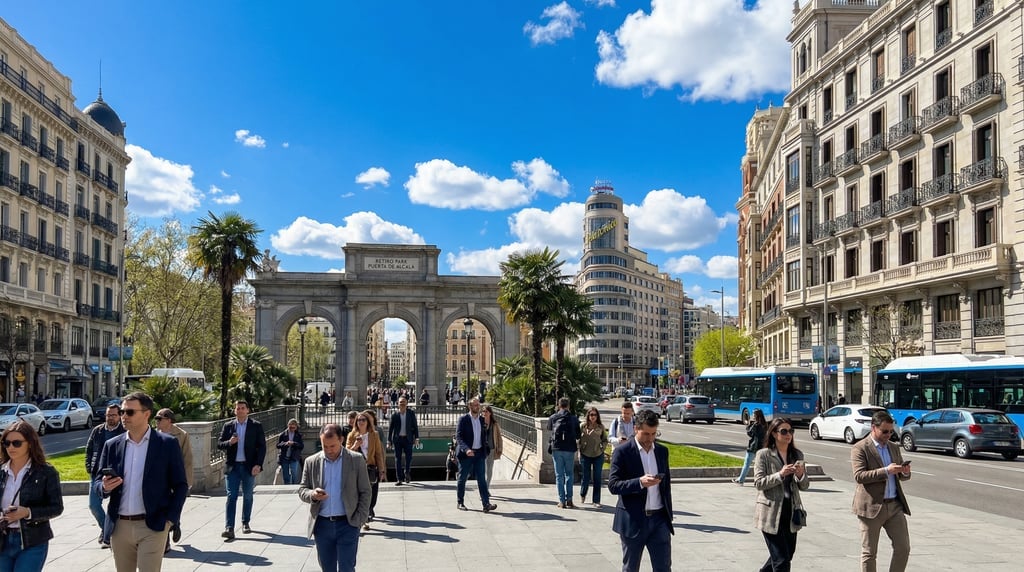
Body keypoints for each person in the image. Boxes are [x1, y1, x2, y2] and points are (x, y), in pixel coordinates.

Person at [96, 392, 188, 572]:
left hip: (152, 525)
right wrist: (104, 487)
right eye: (122, 412)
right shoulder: (112, 445)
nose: (124, 416)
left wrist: (170, 519)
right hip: (120, 526)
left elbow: (180, 485)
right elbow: (98, 481)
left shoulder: (167, 444)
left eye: (130, 412)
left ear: (146, 414)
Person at [298, 423, 372, 572]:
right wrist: (313, 494)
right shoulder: (311, 462)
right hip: (322, 525)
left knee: (346, 568)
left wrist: (359, 519)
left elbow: (365, 491)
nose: (329, 450)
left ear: (341, 440)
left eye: (332, 446)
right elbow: (302, 490)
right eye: (325, 446)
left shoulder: (356, 460)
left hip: (348, 523)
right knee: (327, 568)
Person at [607, 409, 672, 572]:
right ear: (636, 429)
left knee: (664, 568)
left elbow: (666, 486)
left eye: (654, 434)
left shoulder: (662, 451)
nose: (650, 439)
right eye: (646, 434)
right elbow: (613, 485)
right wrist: (639, 483)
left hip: (659, 520)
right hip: (633, 520)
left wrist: (668, 516)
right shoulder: (623, 452)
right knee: (631, 568)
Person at [851, 410, 912, 572]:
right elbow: (859, 476)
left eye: (891, 432)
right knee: (869, 553)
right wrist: (886, 471)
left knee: (903, 548)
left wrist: (904, 472)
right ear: (873, 428)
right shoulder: (860, 448)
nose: (888, 435)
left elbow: (900, 475)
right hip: (871, 507)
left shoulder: (893, 447)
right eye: (884, 431)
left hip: (894, 506)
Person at [0, 421, 63, 572]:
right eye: (6, 443)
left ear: (29, 443)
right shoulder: (1, 472)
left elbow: (56, 507)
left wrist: (28, 512)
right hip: (2, 539)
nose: (11, 447)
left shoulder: (45, 472)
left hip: (33, 541)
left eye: (16, 443)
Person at [753, 418, 809, 572]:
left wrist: (800, 475)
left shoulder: (797, 454)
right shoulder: (763, 454)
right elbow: (759, 483)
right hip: (770, 512)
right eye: (784, 431)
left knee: (786, 555)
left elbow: (804, 486)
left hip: (790, 511)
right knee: (781, 561)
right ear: (773, 433)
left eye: (791, 431)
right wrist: (780, 474)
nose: (788, 434)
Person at [217, 400, 266, 539]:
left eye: (242, 408)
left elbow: (262, 447)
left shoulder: (256, 426)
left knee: (248, 495)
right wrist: (229, 442)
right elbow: (219, 444)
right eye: (237, 408)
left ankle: (245, 522)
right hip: (232, 467)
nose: (240, 410)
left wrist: (258, 464)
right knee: (231, 496)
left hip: (248, 466)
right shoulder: (228, 426)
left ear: (247, 410)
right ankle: (229, 527)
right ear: (234, 411)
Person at [86, 402, 125, 548]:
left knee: (115, 506)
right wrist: (89, 466)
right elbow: (89, 449)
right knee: (94, 505)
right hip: (97, 474)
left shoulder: (123, 431)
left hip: (117, 474)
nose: (110, 418)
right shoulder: (98, 431)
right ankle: (105, 528)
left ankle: (110, 534)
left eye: (113, 415)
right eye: (108, 415)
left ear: (119, 416)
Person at [154, 408, 193, 552]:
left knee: (173, 505)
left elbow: (187, 459)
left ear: (169, 420)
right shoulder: (153, 434)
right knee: (161, 508)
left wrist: (187, 481)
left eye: (160, 419)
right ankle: (165, 542)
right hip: (159, 479)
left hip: (175, 478)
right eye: (156, 419)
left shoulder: (182, 435)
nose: (157, 421)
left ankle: (175, 524)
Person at [455, 398, 496, 513]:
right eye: (475, 405)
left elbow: (484, 436)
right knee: (463, 478)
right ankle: (460, 502)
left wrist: (485, 451)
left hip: (479, 454)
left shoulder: (482, 420)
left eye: (478, 405)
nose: (477, 407)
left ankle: (486, 504)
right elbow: (459, 437)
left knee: (482, 479)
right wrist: (467, 449)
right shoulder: (463, 419)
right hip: (467, 454)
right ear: (470, 406)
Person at [346, 411, 386, 530]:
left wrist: (382, 470)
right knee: (358, 495)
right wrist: (355, 445)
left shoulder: (374, 435)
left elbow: (378, 453)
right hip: (356, 469)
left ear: (368, 422)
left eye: (363, 420)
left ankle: (368, 512)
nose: (361, 422)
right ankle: (362, 519)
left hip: (370, 467)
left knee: (370, 494)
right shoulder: (351, 435)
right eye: (359, 420)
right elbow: (347, 454)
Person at [548, 397, 580, 508]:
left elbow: (549, 429)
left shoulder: (553, 417)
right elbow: (578, 435)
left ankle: (561, 501)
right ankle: (569, 499)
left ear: (559, 405)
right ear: (568, 406)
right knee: (569, 475)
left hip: (557, 449)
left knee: (559, 475)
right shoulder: (574, 418)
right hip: (569, 449)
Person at [578, 406, 608, 508]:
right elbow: (578, 439)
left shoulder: (601, 427)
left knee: (597, 478)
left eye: (595, 415)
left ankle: (596, 500)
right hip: (585, 454)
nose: (593, 417)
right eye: (591, 415)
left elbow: (605, 440)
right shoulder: (583, 426)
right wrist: (580, 448)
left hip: (598, 454)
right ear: (588, 416)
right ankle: (583, 493)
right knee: (585, 477)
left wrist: (602, 448)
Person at [388, 397, 420, 485]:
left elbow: (415, 426)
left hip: (408, 439)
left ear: (407, 404)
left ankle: (407, 473)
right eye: (400, 402)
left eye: (404, 402)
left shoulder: (411, 413)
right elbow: (391, 429)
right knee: (397, 459)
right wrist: (389, 441)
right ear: (398, 403)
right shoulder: (395, 415)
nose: (402, 404)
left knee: (409, 458)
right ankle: (399, 479)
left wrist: (417, 438)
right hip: (398, 440)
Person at [734, 409, 768, 485]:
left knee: (747, 464)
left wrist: (748, 425)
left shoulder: (756, 425)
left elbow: (750, 433)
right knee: (759, 465)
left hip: (753, 447)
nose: (753, 416)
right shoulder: (765, 424)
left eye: (753, 414)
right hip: (761, 447)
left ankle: (741, 480)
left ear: (757, 415)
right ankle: (759, 481)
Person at [276, 418, 305, 485]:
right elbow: (278, 445)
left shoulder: (298, 435)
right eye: (290, 427)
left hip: (294, 457)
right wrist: (285, 444)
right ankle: (287, 487)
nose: (292, 428)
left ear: (296, 427)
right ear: (288, 425)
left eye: (294, 427)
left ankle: (294, 487)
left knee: (294, 474)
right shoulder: (283, 434)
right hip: (284, 457)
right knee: (286, 475)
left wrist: (293, 443)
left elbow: (301, 446)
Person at [481, 404, 503, 487]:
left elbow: (499, 437)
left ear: (490, 413)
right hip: (481, 449)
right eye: (483, 411)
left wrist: (500, 448)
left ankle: (486, 488)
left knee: (489, 470)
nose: (484, 413)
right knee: (482, 469)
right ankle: (483, 488)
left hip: (491, 449)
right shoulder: (480, 422)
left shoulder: (494, 424)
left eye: (486, 411)